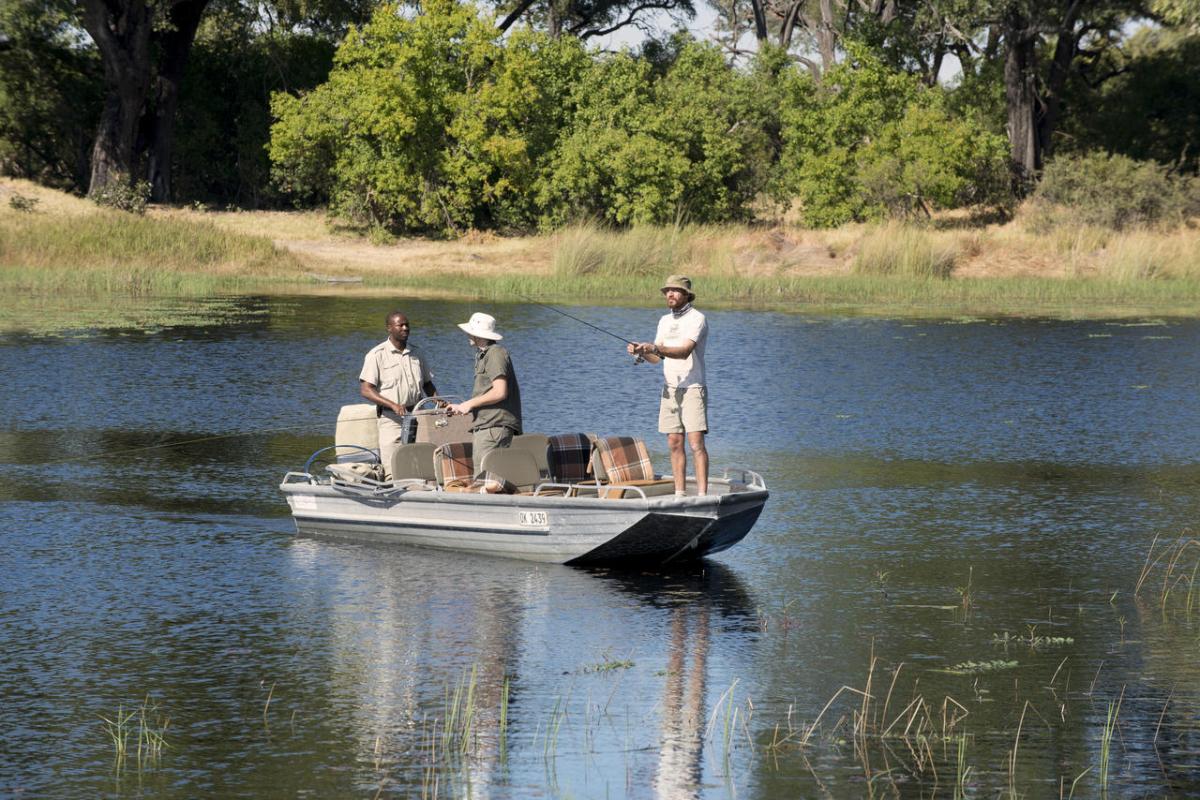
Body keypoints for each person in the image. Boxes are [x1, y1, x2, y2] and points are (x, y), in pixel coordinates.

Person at [626, 275, 709, 496]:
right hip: (669, 388)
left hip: (693, 387)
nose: (670, 294)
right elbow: (658, 357)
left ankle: (702, 495)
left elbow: (683, 352)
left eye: (675, 290)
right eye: (667, 291)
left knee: (695, 444)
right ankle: (679, 493)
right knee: (674, 442)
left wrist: (654, 348)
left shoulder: (697, 319)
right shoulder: (664, 321)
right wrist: (642, 351)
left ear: (686, 295)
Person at [359, 311, 437, 479]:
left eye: (407, 324)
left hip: (417, 416)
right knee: (393, 470)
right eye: (400, 325)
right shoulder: (376, 355)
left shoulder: (418, 353)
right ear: (389, 328)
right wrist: (393, 405)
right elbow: (366, 389)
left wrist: (439, 401)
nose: (405, 328)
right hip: (390, 419)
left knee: (419, 468)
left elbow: (427, 383)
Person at [447, 312, 523, 476]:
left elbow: (500, 391)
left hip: (493, 428)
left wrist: (469, 404)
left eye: (469, 331)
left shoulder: (495, 353)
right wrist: (461, 407)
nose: (467, 334)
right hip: (488, 426)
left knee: (484, 480)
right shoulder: (485, 354)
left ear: (476, 334)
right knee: (488, 481)